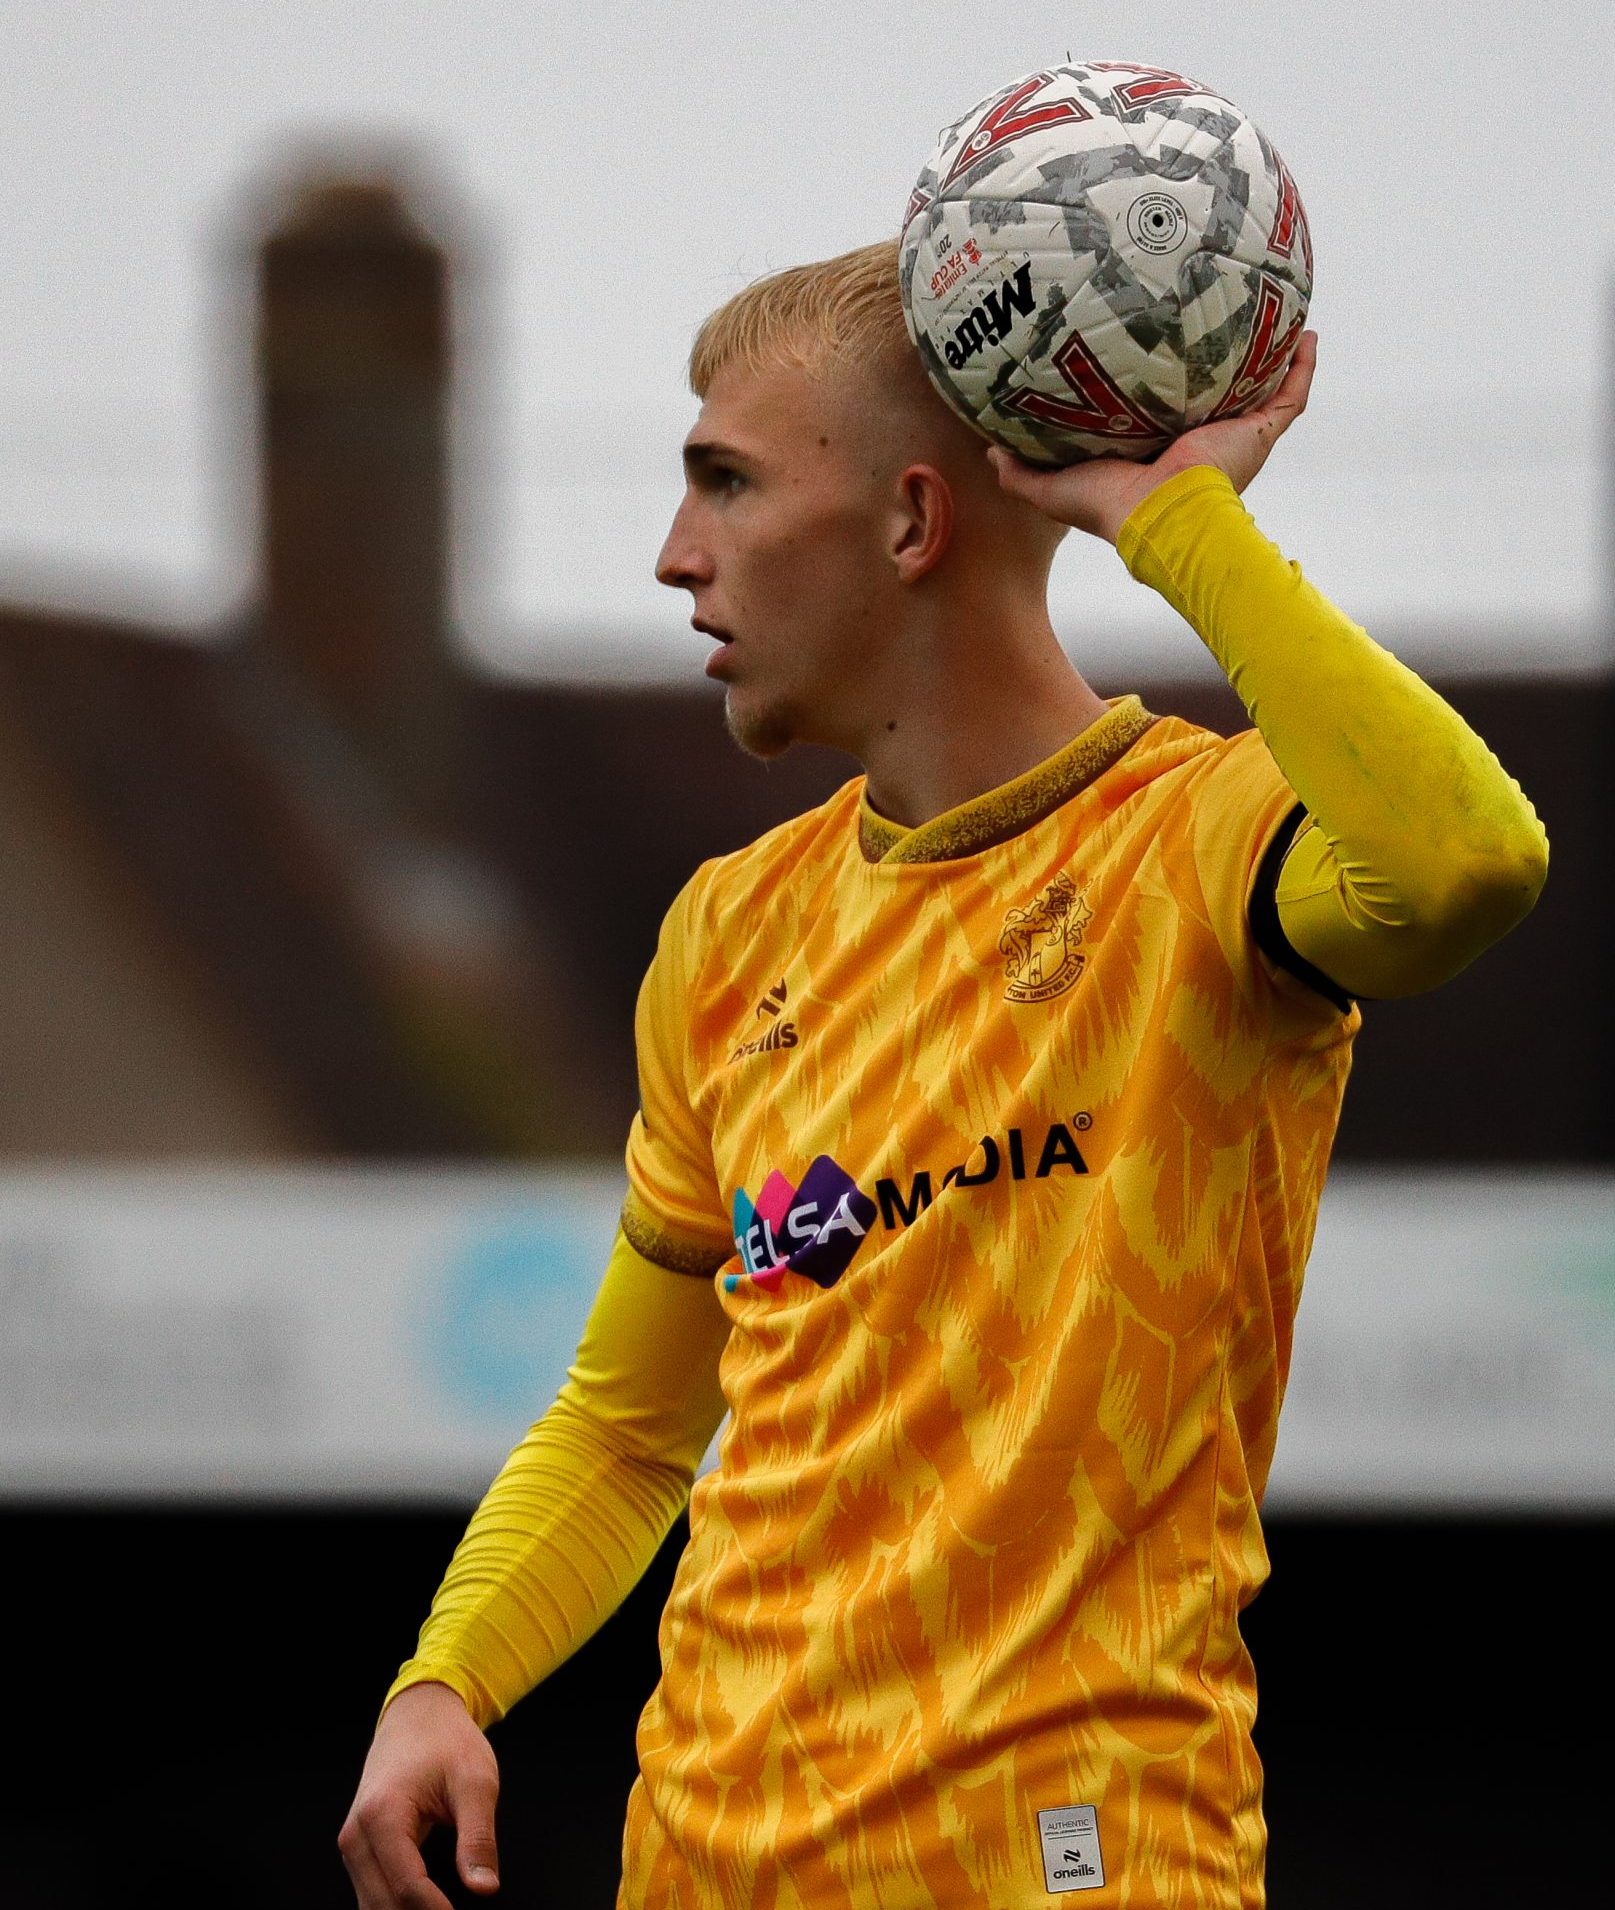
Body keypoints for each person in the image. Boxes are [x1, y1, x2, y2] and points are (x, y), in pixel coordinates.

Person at [339, 239, 1547, 1909]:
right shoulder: (727, 930)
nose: (675, 553)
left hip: (1075, 1869)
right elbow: (629, 1425)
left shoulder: (1199, 843)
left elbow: (1466, 863)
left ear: (912, 523)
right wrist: (445, 1677)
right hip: (698, 1866)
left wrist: (1179, 524)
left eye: (726, 481)